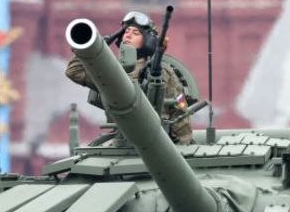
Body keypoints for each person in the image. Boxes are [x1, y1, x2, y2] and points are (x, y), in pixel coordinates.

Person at [65, 11, 194, 143]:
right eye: (126, 31)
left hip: (158, 140)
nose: (128, 35)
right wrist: (99, 46)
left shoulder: (162, 72)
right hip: (121, 140)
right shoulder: (110, 70)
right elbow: (73, 71)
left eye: (136, 33)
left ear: (148, 41)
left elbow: (180, 108)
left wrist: (183, 144)